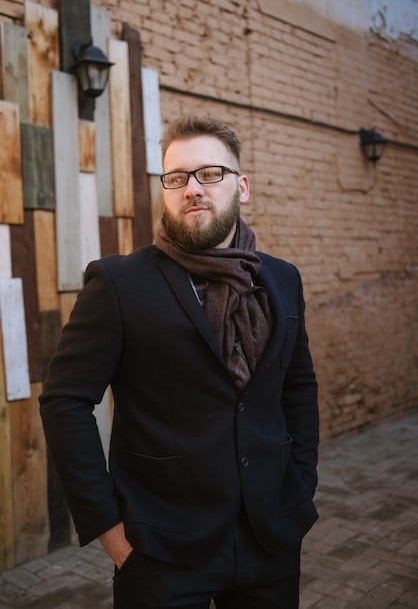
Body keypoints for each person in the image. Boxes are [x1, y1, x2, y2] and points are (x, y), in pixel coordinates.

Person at [39, 114, 319, 609]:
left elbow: (298, 386)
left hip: (270, 539)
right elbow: (65, 401)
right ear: (166, 190)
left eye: (210, 174)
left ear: (242, 186)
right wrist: (110, 531)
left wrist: (300, 479)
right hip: (161, 551)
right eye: (176, 178)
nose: (192, 188)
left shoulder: (282, 280)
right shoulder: (119, 284)